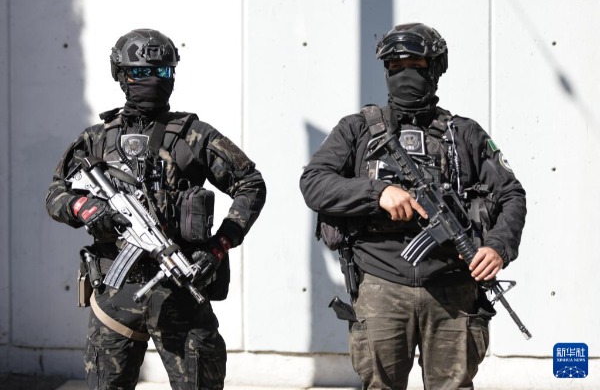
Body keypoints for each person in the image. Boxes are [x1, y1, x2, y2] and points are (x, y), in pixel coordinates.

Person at [299, 23, 526, 389]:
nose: (405, 73)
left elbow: (511, 194)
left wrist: (498, 247)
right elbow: (313, 183)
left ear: (435, 68)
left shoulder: (464, 134)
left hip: (454, 289)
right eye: (395, 66)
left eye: (416, 64)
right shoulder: (357, 129)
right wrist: (377, 193)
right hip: (381, 286)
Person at [46, 28, 266, 390]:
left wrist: (220, 245)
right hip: (115, 292)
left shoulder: (194, 135)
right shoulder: (96, 140)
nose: (152, 79)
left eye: (162, 71)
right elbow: (56, 194)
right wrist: (85, 207)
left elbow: (251, 184)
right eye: (140, 72)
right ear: (120, 75)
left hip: (181, 288)